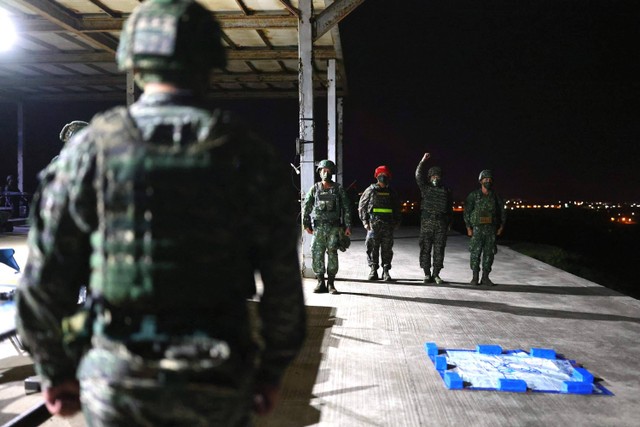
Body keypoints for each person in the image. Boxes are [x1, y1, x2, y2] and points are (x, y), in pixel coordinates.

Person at [15, 0, 306, 425]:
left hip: (118, 382)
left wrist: (54, 372)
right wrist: (271, 372)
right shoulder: (248, 154)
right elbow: (282, 286)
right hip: (217, 380)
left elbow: (43, 282)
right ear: (210, 62)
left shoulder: (91, 149)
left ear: (133, 63)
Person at [302, 159, 352, 294]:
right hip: (318, 228)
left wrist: (347, 226)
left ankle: (331, 283)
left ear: (333, 173)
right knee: (316, 253)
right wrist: (306, 223)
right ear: (319, 172)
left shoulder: (338, 189)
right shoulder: (315, 188)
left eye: (329, 171)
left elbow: (347, 208)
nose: (326, 173)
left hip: (334, 228)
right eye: (323, 170)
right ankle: (320, 282)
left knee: (332, 254)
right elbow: (306, 206)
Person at [358, 165, 401, 281]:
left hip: (388, 225)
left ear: (389, 177)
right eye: (381, 175)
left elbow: (397, 207)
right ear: (377, 176)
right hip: (373, 225)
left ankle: (386, 271)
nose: (383, 177)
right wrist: (364, 221)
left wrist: (397, 221)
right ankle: (373, 270)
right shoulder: (370, 190)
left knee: (387, 249)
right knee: (372, 247)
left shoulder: (392, 192)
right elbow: (362, 206)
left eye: (385, 175)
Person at [463, 169, 506, 286]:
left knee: (489, 254)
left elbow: (502, 212)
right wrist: (468, 227)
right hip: (477, 229)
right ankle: (475, 277)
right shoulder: (473, 195)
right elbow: (467, 212)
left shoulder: (496, 196)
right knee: (475, 253)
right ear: (480, 181)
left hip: (491, 230)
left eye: (490, 179)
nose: (488, 181)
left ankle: (485, 277)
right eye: (485, 179)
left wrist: (501, 226)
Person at [415, 153, 453, 284]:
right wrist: (422, 161)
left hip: (441, 224)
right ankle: (427, 273)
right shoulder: (425, 188)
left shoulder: (446, 191)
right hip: (427, 224)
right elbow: (418, 175)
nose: (435, 178)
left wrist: (449, 223)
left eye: (437, 176)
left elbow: (449, 208)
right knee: (425, 249)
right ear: (429, 177)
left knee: (439, 249)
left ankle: (436, 274)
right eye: (433, 176)